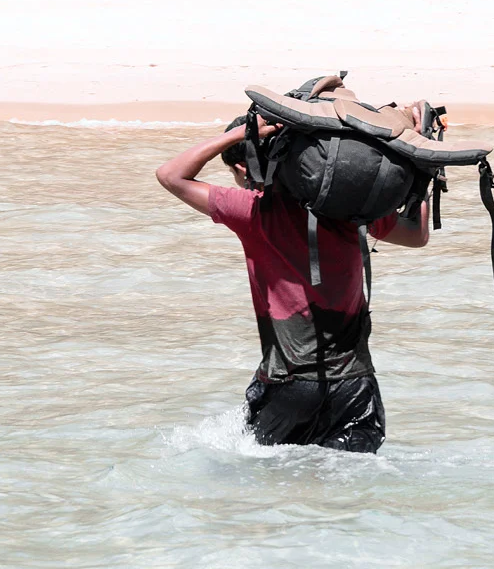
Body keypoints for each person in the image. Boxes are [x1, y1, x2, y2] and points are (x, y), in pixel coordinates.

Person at [155, 119, 430, 453]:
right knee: (346, 489)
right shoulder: (349, 209)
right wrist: (421, 171)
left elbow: (170, 175)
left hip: (289, 387)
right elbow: (417, 235)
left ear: (244, 167)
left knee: (266, 480)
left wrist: (240, 134)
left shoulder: (251, 210)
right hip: (355, 387)